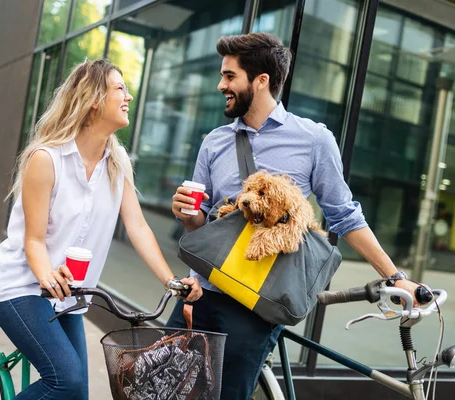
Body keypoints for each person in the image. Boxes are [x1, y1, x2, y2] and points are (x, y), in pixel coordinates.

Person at [168, 32, 425, 400]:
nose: (220, 84)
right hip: (200, 292)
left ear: (261, 81)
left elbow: (345, 216)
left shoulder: (313, 140)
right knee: (161, 388)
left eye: (229, 76)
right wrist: (186, 215)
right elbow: (203, 225)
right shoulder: (214, 141)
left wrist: (396, 277)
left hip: (256, 303)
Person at [0, 59, 202, 400]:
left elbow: (138, 227)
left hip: (69, 297)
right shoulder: (47, 159)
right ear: (94, 99)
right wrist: (46, 275)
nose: (128, 96)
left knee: (77, 395)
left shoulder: (117, 164)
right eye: (120, 89)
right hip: (20, 286)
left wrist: (171, 281)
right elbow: (34, 239)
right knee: (65, 382)